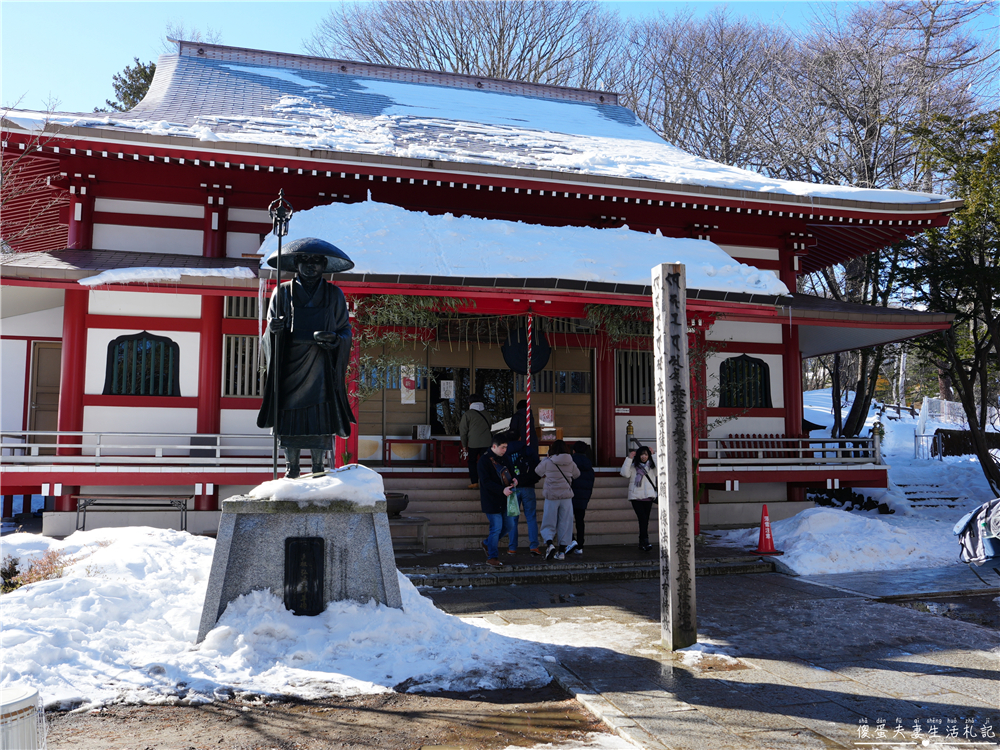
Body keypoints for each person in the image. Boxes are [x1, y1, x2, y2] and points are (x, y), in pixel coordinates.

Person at [257, 238, 355, 478]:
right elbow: (268, 332)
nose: (310, 266)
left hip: (321, 364)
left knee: (319, 416)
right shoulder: (282, 291)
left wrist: (335, 339)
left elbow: (345, 330)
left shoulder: (334, 294)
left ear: (324, 265)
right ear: (296, 264)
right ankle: (291, 469)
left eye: (316, 261)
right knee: (290, 417)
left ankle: (319, 469)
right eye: (305, 261)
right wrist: (274, 329)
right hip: (290, 364)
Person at [477, 432, 518, 567]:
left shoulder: (505, 458)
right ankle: (492, 556)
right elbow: (486, 482)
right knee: (496, 528)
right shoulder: (483, 461)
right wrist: (502, 490)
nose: (505, 450)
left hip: (506, 499)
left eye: (506, 447)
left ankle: (488, 543)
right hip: (491, 499)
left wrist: (514, 480)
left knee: (509, 525)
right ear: (494, 446)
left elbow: (511, 472)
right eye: (503, 447)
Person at [535, 440, 580, 560]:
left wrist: (546, 459)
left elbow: (537, 472)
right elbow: (577, 474)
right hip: (566, 497)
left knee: (549, 521)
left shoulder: (548, 462)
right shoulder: (571, 462)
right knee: (565, 523)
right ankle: (561, 552)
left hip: (551, 496)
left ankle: (549, 544)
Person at [506, 437, 542, 555]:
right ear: (520, 437)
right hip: (528, 487)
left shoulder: (505, 451)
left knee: (513, 519)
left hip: (512, 487)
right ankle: (534, 546)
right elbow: (538, 469)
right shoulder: (528, 450)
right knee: (531, 517)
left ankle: (512, 547)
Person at [621, 446, 657, 551]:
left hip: (648, 497)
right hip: (636, 497)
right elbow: (624, 473)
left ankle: (642, 542)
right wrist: (629, 458)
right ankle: (645, 541)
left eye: (646, 454)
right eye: (642, 454)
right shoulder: (633, 466)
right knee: (643, 519)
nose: (644, 456)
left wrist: (654, 455)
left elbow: (660, 471)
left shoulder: (652, 467)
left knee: (644, 520)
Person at [459, 393, 494, 489]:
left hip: (473, 443)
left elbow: (463, 431)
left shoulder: (467, 414)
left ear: (470, 403)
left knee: (472, 462)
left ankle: (474, 482)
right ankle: (485, 482)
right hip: (487, 442)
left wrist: (464, 446)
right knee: (486, 463)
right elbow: (490, 427)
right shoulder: (486, 413)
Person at [567, 441, 595, 555]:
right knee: (580, 521)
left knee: (566, 520)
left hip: (569, 495)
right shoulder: (589, 466)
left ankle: (571, 541)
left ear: (573, 451)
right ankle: (580, 545)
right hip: (583, 497)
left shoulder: (570, 463)